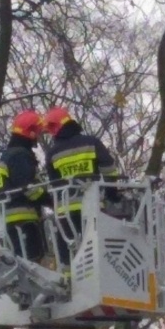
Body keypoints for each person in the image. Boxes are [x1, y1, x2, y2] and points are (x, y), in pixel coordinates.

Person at [42, 106, 120, 278]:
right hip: (91, 205)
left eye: (51, 129)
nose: (51, 134)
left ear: (57, 127)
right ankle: (97, 276)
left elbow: (54, 183)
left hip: (65, 209)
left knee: (67, 248)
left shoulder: (52, 153)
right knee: (95, 245)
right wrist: (111, 192)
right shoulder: (91, 142)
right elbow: (109, 168)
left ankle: (69, 280)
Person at [0, 110, 50, 262]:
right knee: (33, 263)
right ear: (30, 132)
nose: (38, 136)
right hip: (24, 220)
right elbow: (28, 188)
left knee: (22, 265)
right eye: (37, 132)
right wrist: (50, 200)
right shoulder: (20, 155)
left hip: (11, 219)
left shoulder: (8, 155)